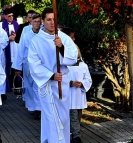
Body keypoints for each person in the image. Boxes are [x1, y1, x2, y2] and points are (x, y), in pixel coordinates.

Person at [28, 8, 78, 143]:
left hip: (62, 84)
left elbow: (73, 57)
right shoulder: (36, 41)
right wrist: (51, 75)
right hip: (47, 85)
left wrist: (61, 47)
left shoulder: (64, 38)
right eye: (49, 20)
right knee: (50, 118)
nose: (52, 23)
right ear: (43, 21)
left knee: (63, 117)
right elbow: (34, 64)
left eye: (54, 19)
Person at [61, 27, 92, 143]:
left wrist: (82, 83)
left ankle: (73, 134)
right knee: (73, 117)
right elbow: (62, 78)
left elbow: (88, 79)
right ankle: (76, 137)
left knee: (77, 117)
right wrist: (70, 83)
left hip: (79, 95)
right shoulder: (65, 66)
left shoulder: (83, 65)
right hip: (69, 95)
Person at [12, 13, 42, 119]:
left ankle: (39, 108)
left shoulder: (43, 34)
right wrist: (18, 67)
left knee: (38, 86)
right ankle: (32, 107)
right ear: (31, 22)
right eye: (35, 22)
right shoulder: (26, 35)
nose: (37, 24)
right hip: (28, 64)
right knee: (29, 86)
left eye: (39, 22)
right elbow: (20, 51)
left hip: (40, 64)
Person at [0, 8, 18, 92]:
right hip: (6, 49)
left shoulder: (16, 24)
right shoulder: (0, 25)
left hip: (15, 48)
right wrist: (8, 38)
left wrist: (16, 36)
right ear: (5, 16)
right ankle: (8, 86)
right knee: (7, 66)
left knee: (15, 65)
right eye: (9, 16)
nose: (11, 17)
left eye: (12, 16)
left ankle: (16, 84)